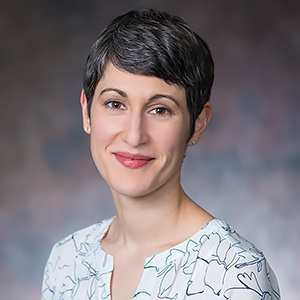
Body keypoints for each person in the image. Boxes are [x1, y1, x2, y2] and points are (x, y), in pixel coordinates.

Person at [41, 8, 280, 300]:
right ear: (86, 111)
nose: (134, 135)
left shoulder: (233, 273)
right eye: (115, 104)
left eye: (160, 109)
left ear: (198, 124)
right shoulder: (67, 262)